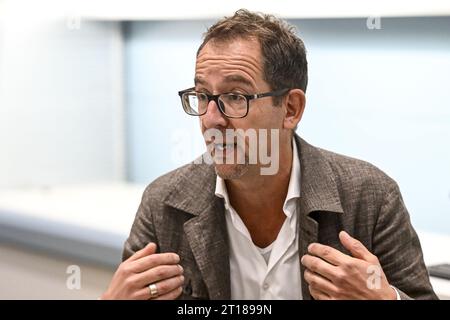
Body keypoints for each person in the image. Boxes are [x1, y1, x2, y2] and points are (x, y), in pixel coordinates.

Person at [101, 9, 437, 300]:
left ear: (290, 108)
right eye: (202, 95)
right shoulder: (165, 204)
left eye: (235, 96)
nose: (211, 119)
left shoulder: (370, 197)